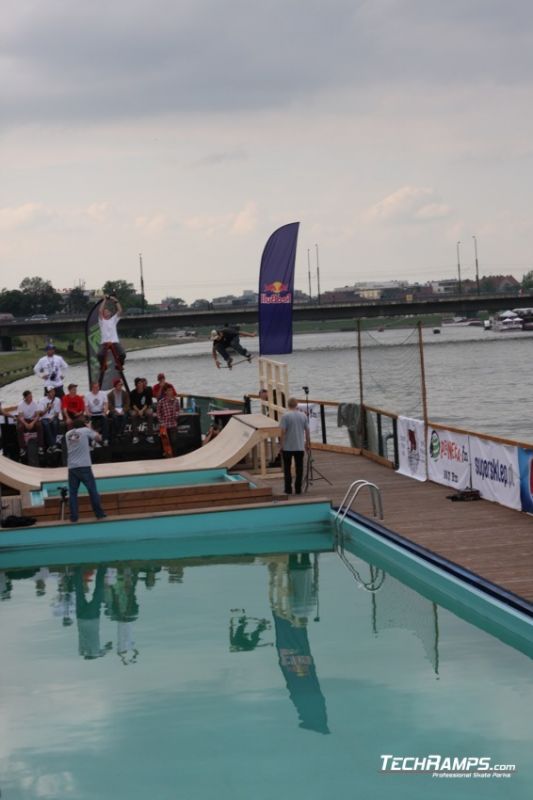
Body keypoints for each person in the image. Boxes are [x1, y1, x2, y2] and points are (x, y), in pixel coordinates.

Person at [65, 418, 106, 523]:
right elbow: (99, 438)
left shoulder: (68, 434)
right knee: (92, 491)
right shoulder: (85, 430)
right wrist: (90, 428)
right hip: (84, 466)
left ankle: (74, 517)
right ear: (84, 425)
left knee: (73, 493)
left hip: (72, 467)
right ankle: (99, 514)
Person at [279, 397, 310, 495]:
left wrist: (281, 445)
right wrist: (307, 442)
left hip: (288, 446)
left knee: (287, 469)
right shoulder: (303, 415)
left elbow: (283, 431)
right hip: (299, 446)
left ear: (288, 405)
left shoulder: (285, 416)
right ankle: (298, 489)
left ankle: (288, 489)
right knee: (299, 468)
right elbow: (307, 430)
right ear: (297, 405)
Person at [98, 295, 125, 370]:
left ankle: (119, 364)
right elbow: (100, 311)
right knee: (100, 355)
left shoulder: (113, 319)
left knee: (122, 354)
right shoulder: (102, 321)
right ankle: (103, 365)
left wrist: (115, 300)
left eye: (107, 311)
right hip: (105, 342)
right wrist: (104, 300)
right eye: (105, 312)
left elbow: (120, 310)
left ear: (110, 313)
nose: (106, 312)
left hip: (114, 341)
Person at [17, 389, 44, 457]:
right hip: (24, 420)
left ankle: (40, 447)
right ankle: (22, 448)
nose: (31, 398)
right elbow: (21, 417)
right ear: (25, 397)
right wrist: (26, 424)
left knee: (39, 426)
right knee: (20, 428)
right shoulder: (21, 404)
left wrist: (32, 423)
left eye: (31, 396)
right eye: (29, 397)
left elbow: (37, 415)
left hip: (33, 419)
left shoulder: (35, 402)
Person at [157, 383, 181, 455]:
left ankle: (175, 455)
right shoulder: (161, 402)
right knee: (164, 442)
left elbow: (178, 410)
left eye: (171, 390)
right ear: (165, 392)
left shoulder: (176, 400)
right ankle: (165, 454)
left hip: (173, 424)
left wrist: (176, 415)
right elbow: (158, 413)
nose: (171, 392)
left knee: (174, 441)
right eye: (169, 390)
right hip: (164, 425)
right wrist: (161, 422)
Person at [129, 377, 155, 444]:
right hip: (136, 409)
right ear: (136, 385)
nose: (141, 384)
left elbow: (147, 403)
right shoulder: (132, 393)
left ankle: (150, 436)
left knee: (150, 413)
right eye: (139, 383)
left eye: (141, 383)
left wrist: (142, 410)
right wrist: (139, 411)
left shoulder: (147, 391)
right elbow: (133, 405)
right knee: (133, 414)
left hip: (145, 408)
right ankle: (135, 436)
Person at [37, 385, 62, 450]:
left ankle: (53, 443)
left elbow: (57, 413)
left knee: (55, 423)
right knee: (46, 424)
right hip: (44, 418)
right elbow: (40, 414)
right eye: (51, 392)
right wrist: (48, 408)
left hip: (53, 417)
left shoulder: (57, 400)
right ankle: (53, 444)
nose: (53, 393)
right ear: (47, 393)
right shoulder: (42, 400)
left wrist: (53, 417)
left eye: (53, 391)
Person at [85, 380, 110, 444]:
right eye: (95, 387)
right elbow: (86, 407)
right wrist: (88, 413)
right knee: (89, 423)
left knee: (105, 420)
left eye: (97, 387)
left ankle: (105, 439)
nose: (96, 388)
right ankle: (92, 440)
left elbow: (106, 404)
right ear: (92, 388)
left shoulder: (103, 394)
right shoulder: (87, 395)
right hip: (92, 413)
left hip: (101, 412)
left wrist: (105, 411)